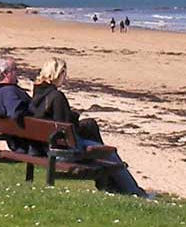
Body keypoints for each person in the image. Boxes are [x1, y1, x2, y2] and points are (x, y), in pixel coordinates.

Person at [30, 57, 147, 197]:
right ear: (58, 74)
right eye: (64, 74)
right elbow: (66, 129)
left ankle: (114, 185)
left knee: (91, 129)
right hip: (61, 152)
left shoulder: (38, 93)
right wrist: (73, 117)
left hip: (45, 147)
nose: (65, 78)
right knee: (109, 153)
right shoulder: (56, 96)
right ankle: (133, 191)